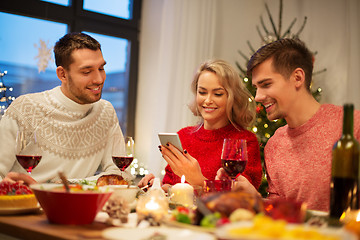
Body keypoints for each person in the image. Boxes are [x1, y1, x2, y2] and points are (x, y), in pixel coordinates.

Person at [216, 38, 360, 212]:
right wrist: (254, 198)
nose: (258, 97)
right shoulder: (274, 145)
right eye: (256, 87)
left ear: (297, 78)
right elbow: (280, 213)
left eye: (266, 84)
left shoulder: (352, 125)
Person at [0, 32, 133, 185]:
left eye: (101, 68)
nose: (99, 79)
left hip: (80, 206)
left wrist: (66, 184)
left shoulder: (105, 111)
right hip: (27, 205)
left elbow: (119, 173)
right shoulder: (25, 108)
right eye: (87, 72)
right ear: (62, 74)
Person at [139, 59, 262, 192]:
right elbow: (170, 186)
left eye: (217, 94)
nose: (208, 100)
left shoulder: (244, 141)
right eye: (202, 92)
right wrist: (156, 188)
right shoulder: (183, 136)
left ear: (232, 97)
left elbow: (242, 196)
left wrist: (198, 180)